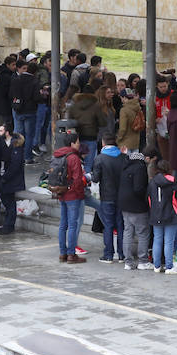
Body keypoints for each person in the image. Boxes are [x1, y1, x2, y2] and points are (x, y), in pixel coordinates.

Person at [91, 134, 126, 263]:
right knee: (121, 225)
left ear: (103, 143)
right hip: (121, 196)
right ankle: (122, 254)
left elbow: (95, 178)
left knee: (108, 226)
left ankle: (108, 254)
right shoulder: (123, 157)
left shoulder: (100, 159)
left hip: (107, 196)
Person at [53, 131, 87, 263]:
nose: (79, 145)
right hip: (72, 195)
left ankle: (63, 253)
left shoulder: (58, 155)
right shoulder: (74, 157)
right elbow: (78, 179)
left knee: (63, 224)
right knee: (72, 224)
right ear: (72, 143)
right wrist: (79, 193)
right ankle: (71, 254)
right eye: (78, 142)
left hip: (61, 193)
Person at [119, 150, 152, 270]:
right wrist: (146, 197)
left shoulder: (125, 167)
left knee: (128, 232)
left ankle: (128, 262)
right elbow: (139, 188)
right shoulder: (140, 168)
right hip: (137, 206)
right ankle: (143, 261)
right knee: (143, 233)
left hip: (124, 205)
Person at [148, 160, 177, 274]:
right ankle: (169, 267)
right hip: (170, 214)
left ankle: (156, 266)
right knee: (169, 242)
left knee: (157, 240)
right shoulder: (173, 182)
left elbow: (149, 199)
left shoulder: (152, 182)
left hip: (155, 214)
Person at [67, 84, 107, 174]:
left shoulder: (74, 105)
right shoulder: (96, 106)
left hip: (77, 138)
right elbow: (103, 122)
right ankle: (86, 182)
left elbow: (69, 121)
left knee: (76, 162)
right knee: (89, 163)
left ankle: (77, 181)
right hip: (91, 136)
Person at [10, 61, 40, 163]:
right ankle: (27, 157)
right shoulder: (34, 81)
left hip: (18, 110)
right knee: (29, 135)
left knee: (19, 134)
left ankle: (17, 155)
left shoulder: (16, 79)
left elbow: (11, 94)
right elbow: (36, 97)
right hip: (30, 111)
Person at [0, 123, 26, 234]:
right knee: (6, 200)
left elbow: (15, 165)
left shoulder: (16, 146)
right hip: (5, 177)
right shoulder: (3, 143)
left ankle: (9, 225)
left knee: (9, 202)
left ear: (7, 132)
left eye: (1, 131)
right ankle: (8, 224)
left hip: (11, 178)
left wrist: (5, 177)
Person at [117, 88, 142, 152]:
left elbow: (123, 129)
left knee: (126, 161)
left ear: (124, 98)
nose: (121, 100)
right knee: (135, 161)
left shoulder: (124, 110)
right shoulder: (138, 107)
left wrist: (118, 139)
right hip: (136, 142)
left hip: (125, 143)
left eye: (121, 98)